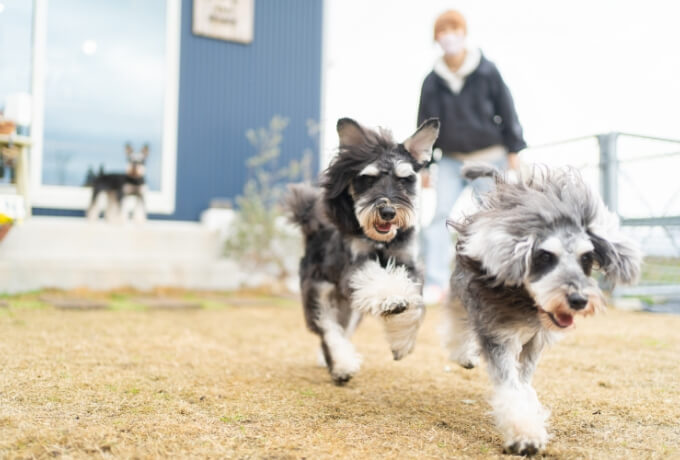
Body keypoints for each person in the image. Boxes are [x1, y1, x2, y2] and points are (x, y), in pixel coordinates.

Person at [418, 9, 526, 304]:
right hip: (451, 161)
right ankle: (437, 283)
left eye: (453, 29)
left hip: (489, 159)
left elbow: (508, 110)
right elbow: (425, 126)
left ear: (463, 32)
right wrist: (424, 166)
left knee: (494, 221)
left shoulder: (487, 70)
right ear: (436, 38)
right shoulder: (432, 81)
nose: (448, 36)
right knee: (439, 217)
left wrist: (514, 149)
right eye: (442, 31)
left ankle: (495, 282)